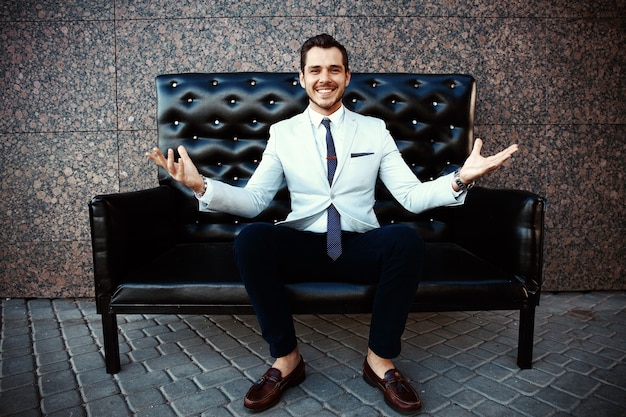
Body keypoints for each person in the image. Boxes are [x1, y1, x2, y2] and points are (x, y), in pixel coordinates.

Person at [147, 33, 518, 414]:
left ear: (347, 76)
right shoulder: (283, 133)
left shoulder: (374, 130)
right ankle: (286, 361)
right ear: (302, 78)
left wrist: (460, 179)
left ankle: (380, 362)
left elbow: (410, 195)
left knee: (405, 240)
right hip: (305, 243)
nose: (325, 78)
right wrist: (201, 186)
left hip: (357, 243)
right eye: (316, 70)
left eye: (334, 69)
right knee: (252, 238)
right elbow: (255, 200)